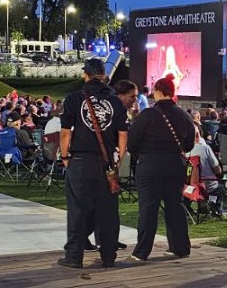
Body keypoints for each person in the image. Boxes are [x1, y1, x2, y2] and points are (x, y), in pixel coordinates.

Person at [57, 59, 128, 268]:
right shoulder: (115, 102)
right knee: (107, 210)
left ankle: (74, 255)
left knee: (78, 209)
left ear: (85, 74)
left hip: (80, 160)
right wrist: (118, 161)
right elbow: (123, 135)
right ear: (104, 75)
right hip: (106, 163)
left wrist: (64, 157)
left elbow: (65, 133)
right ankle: (108, 255)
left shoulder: (74, 98)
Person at [126, 76, 195, 261]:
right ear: (173, 92)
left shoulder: (148, 115)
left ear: (157, 91)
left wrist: (141, 153)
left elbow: (131, 141)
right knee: (175, 206)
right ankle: (180, 247)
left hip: (150, 164)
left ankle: (142, 251)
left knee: (149, 208)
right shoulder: (184, 115)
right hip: (174, 165)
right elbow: (188, 144)